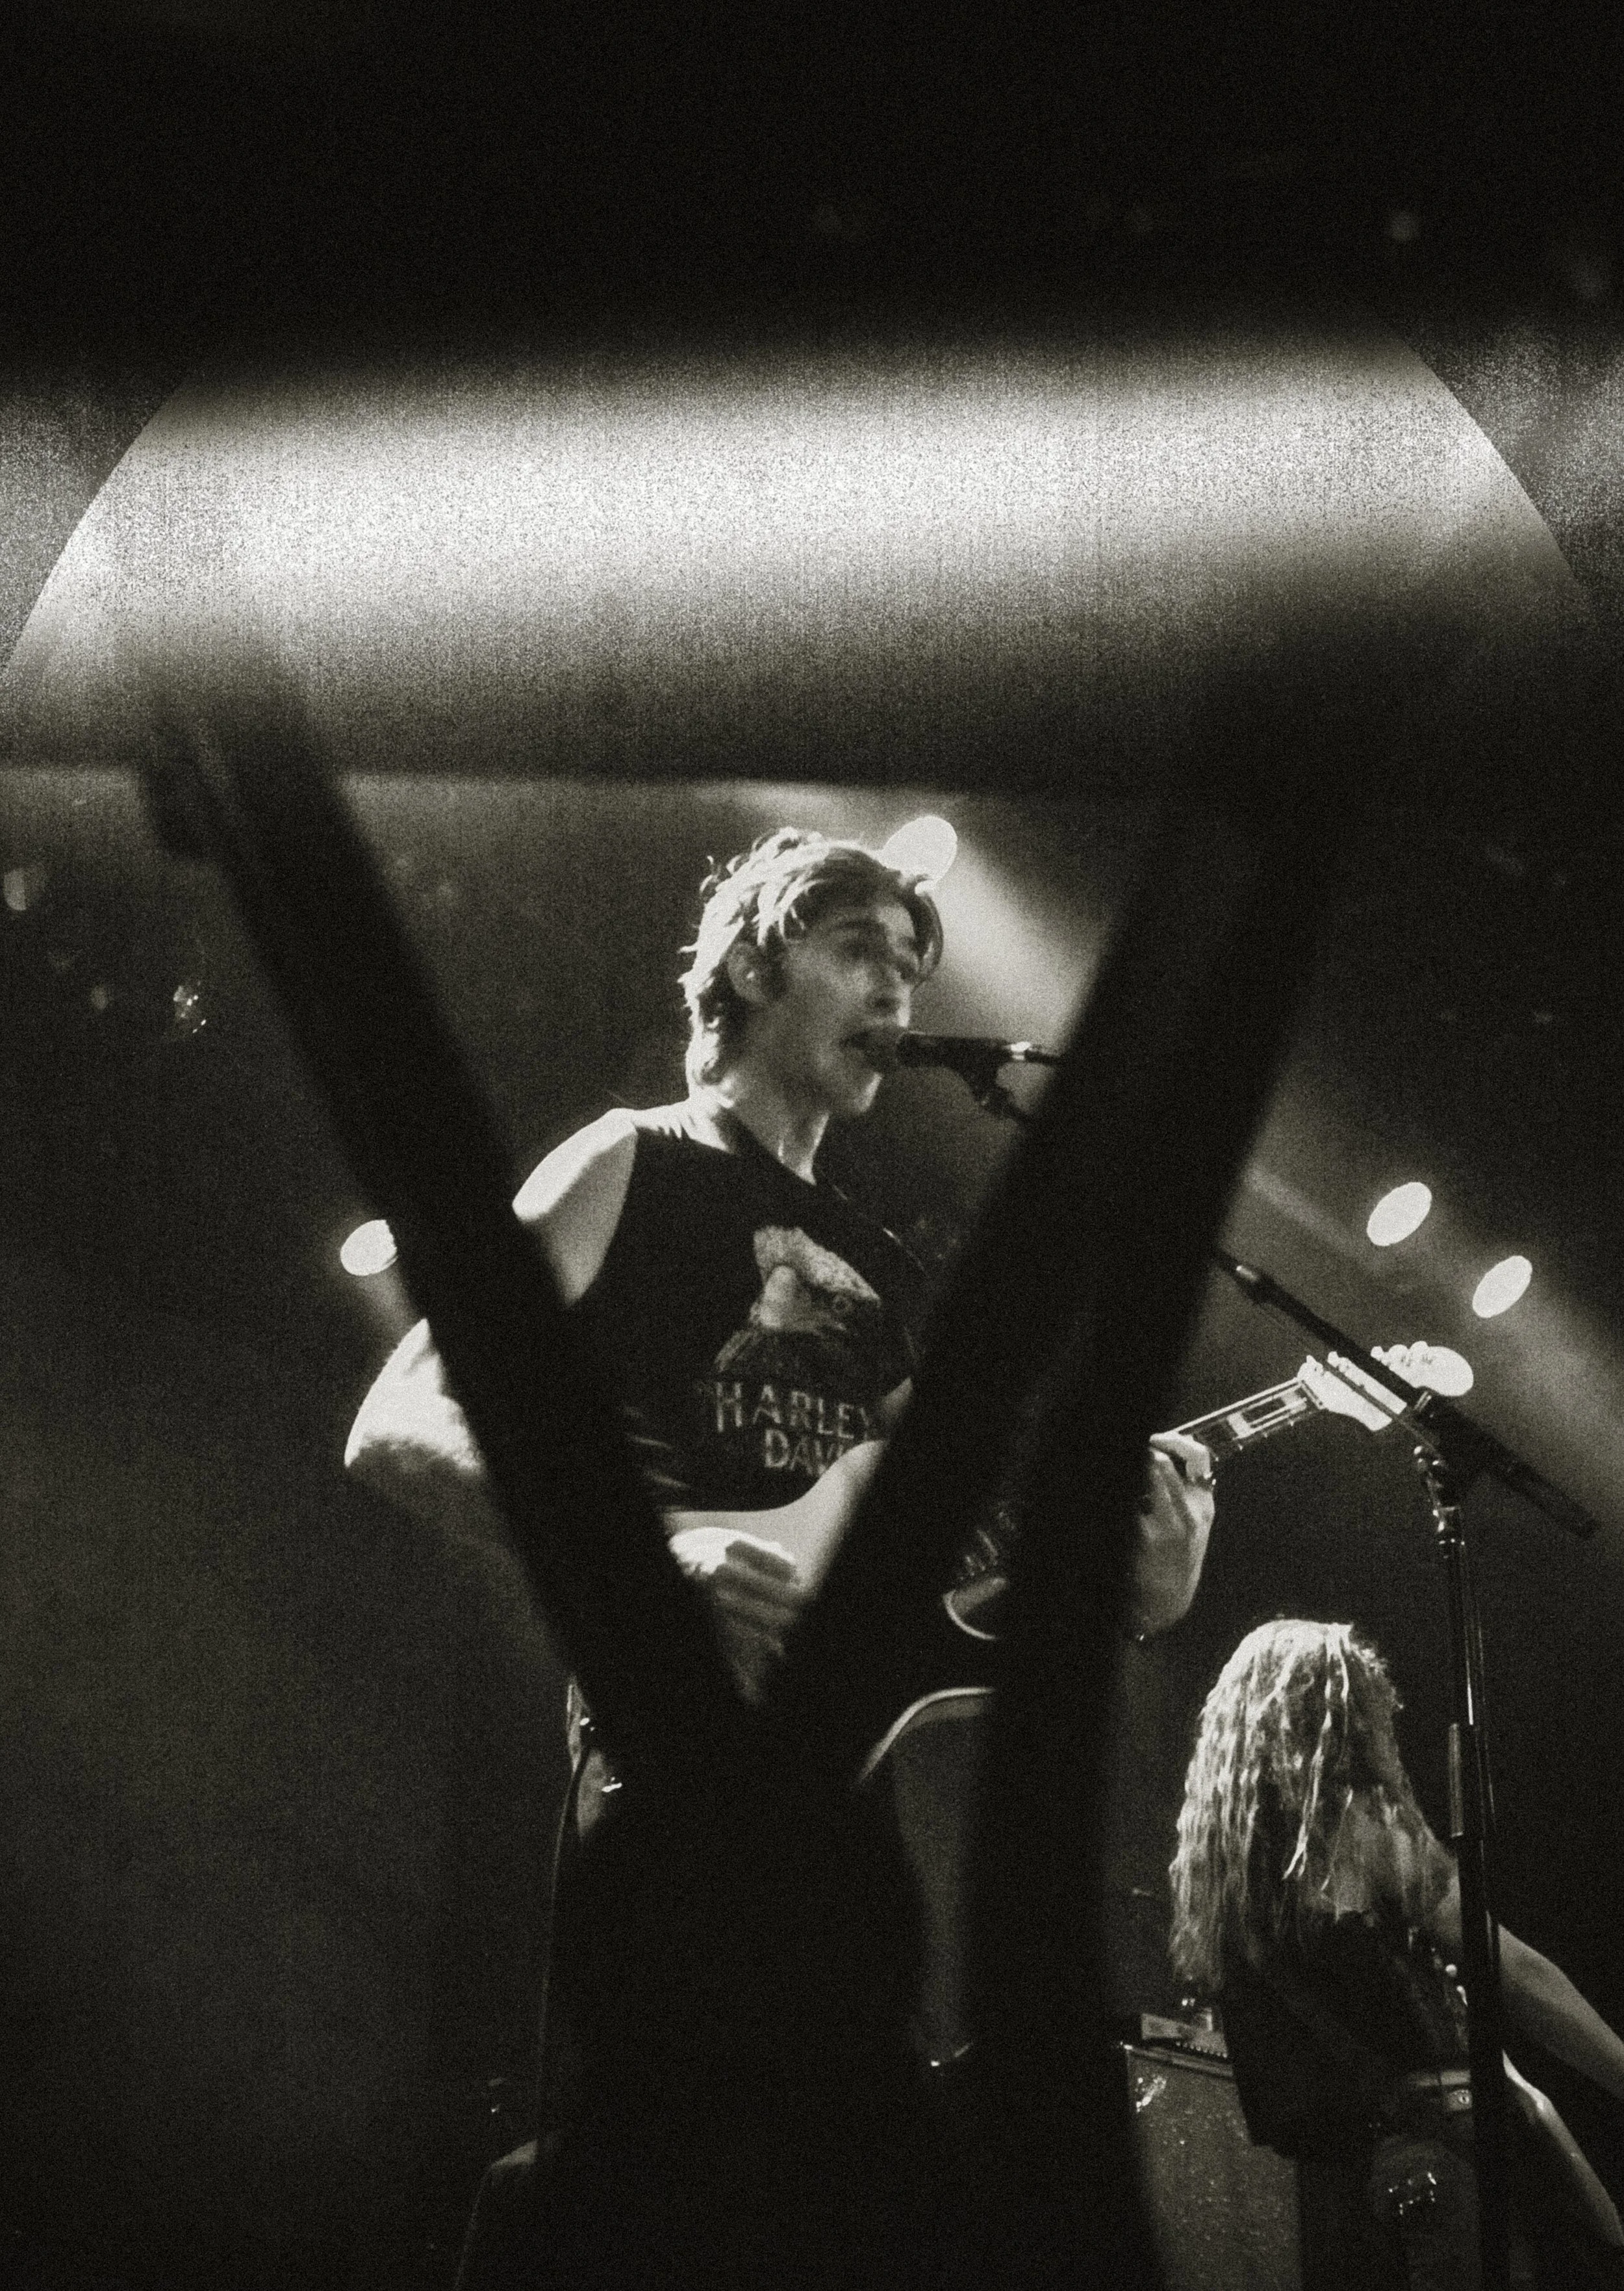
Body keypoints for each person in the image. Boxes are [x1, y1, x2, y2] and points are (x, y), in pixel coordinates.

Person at [346, 825, 1218, 2281]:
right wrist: (638, 1571)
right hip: (667, 1751)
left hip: (841, 1794)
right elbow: (399, 1414)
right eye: (860, 952)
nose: (898, 993)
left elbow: (945, 1582)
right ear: (754, 962)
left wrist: (1126, 1598)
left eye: (913, 964)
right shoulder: (635, 1157)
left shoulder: (882, 1267)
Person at [1169, 1618, 1624, 2288]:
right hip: (1440, 2154)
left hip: (1336, 2193)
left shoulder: (1224, 1861)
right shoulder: (1356, 1826)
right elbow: (1518, 1975)